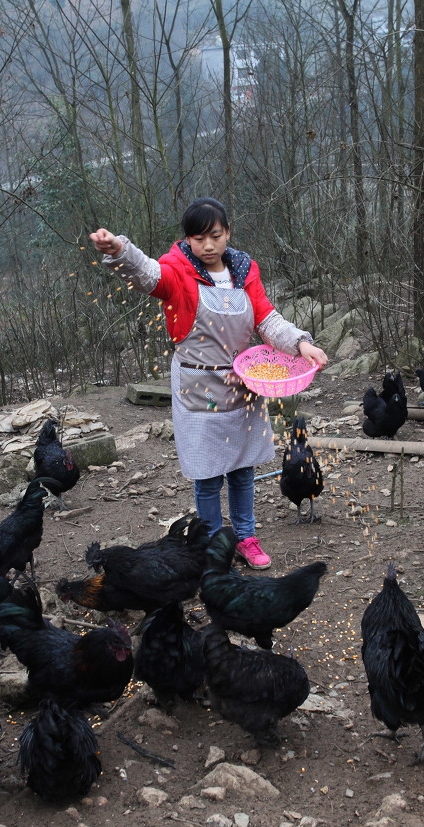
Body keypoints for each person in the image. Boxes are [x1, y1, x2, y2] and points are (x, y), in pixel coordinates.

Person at [90, 198, 328, 569]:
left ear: (227, 233)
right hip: (197, 385)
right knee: (206, 476)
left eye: (215, 235)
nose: (208, 245)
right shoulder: (178, 271)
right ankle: (213, 545)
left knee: (242, 470)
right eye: (198, 238)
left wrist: (302, 344)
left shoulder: (245, 272)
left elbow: (268, 321)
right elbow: (147, 274)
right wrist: (120, 249)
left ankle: (246, 537)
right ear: (188, 241)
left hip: (242, 383)